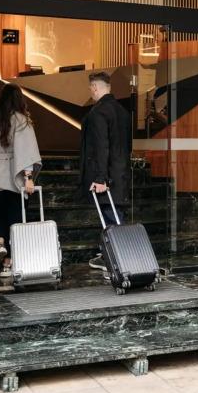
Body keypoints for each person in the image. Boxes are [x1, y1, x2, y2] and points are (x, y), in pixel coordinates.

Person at [0, 84, 42, 278]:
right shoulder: (21, 121)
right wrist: (28, 178)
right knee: (15, 217)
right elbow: (26, 151)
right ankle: (9, 262)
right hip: (14, 176)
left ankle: (0, 242)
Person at [79, 71, 132, 271]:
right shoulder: (123, 112)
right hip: (121, 174)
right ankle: (110, 255)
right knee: (115, 216)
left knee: (111, 218)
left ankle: (118, 260)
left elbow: (102, 146)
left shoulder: (98, 113)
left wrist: (101, 178)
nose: (90, 91)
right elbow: (125, 147)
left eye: (90, 88)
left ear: (94, 88)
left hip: (106, 176)